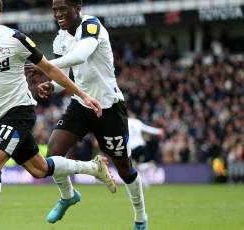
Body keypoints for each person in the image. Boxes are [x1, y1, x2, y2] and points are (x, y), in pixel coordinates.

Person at [0, 1, 115, 229]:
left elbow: (51, 69)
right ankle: (92, 168)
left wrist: (83, 95)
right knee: (40, 169)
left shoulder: (16, 39)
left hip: (20, 112)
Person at [33, 0, 148, 229]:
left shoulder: (92, 26)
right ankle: (68, 196)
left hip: (108, 107)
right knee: (54, 153)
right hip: (81, 104)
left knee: (125, 170)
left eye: (63, 8)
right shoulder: (60, 38)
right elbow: (64, 75)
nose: (58, 14)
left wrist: (43, 65)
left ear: (77, 7)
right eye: (55, 10)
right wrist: (52, 86)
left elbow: (80, 56)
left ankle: (140, 217)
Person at [128, 113, 164, 187]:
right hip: (140, 146)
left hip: (131, 148)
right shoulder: (137, 122)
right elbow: (147, 128)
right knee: (136, 166)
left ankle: (149, 165)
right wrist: (158, 131)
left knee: (134, 166)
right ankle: (144, 183)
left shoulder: (124, 123)